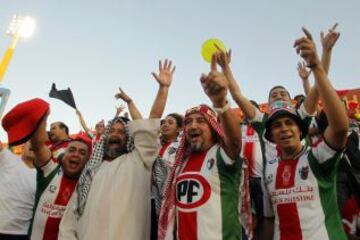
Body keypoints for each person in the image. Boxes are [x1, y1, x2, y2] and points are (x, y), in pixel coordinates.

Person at [59, 59, 175, 240]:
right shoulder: (92, 170)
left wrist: (163, 89)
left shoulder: (139, 161)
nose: (115, 135)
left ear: (129, 138)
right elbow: (72, 216)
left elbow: (152, 121)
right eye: (111, 131)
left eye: (122, 132)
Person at [261, 27, 348, 239]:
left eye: (289, 123)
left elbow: (339, 128)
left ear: (301, 129)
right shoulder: (269, 171)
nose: (284, 129)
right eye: (277, 125)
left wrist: (319, 63)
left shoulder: (318, 158)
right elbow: (269, 219)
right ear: (270, 135)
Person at [158, 56, 243, 240]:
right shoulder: (180, 163)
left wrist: (220, 102)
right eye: (188, 122)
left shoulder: (223, 154)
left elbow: (235, 142)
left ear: (213, 126)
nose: (192, 126)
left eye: (200, 121)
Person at [2, 98, 91, 240]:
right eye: (72, 150)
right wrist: (41, 115)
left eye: (82, 153)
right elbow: (37, 144)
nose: (75, 154)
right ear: (63, 154)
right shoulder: (51, 170)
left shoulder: (90, 185)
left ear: (88, 160)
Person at [0, 141, 36, 240]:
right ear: (23, 147)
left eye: (37, 143)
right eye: (31, 142)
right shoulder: (8, 158)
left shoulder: (43, 175)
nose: (33, 144)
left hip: (22, 234)